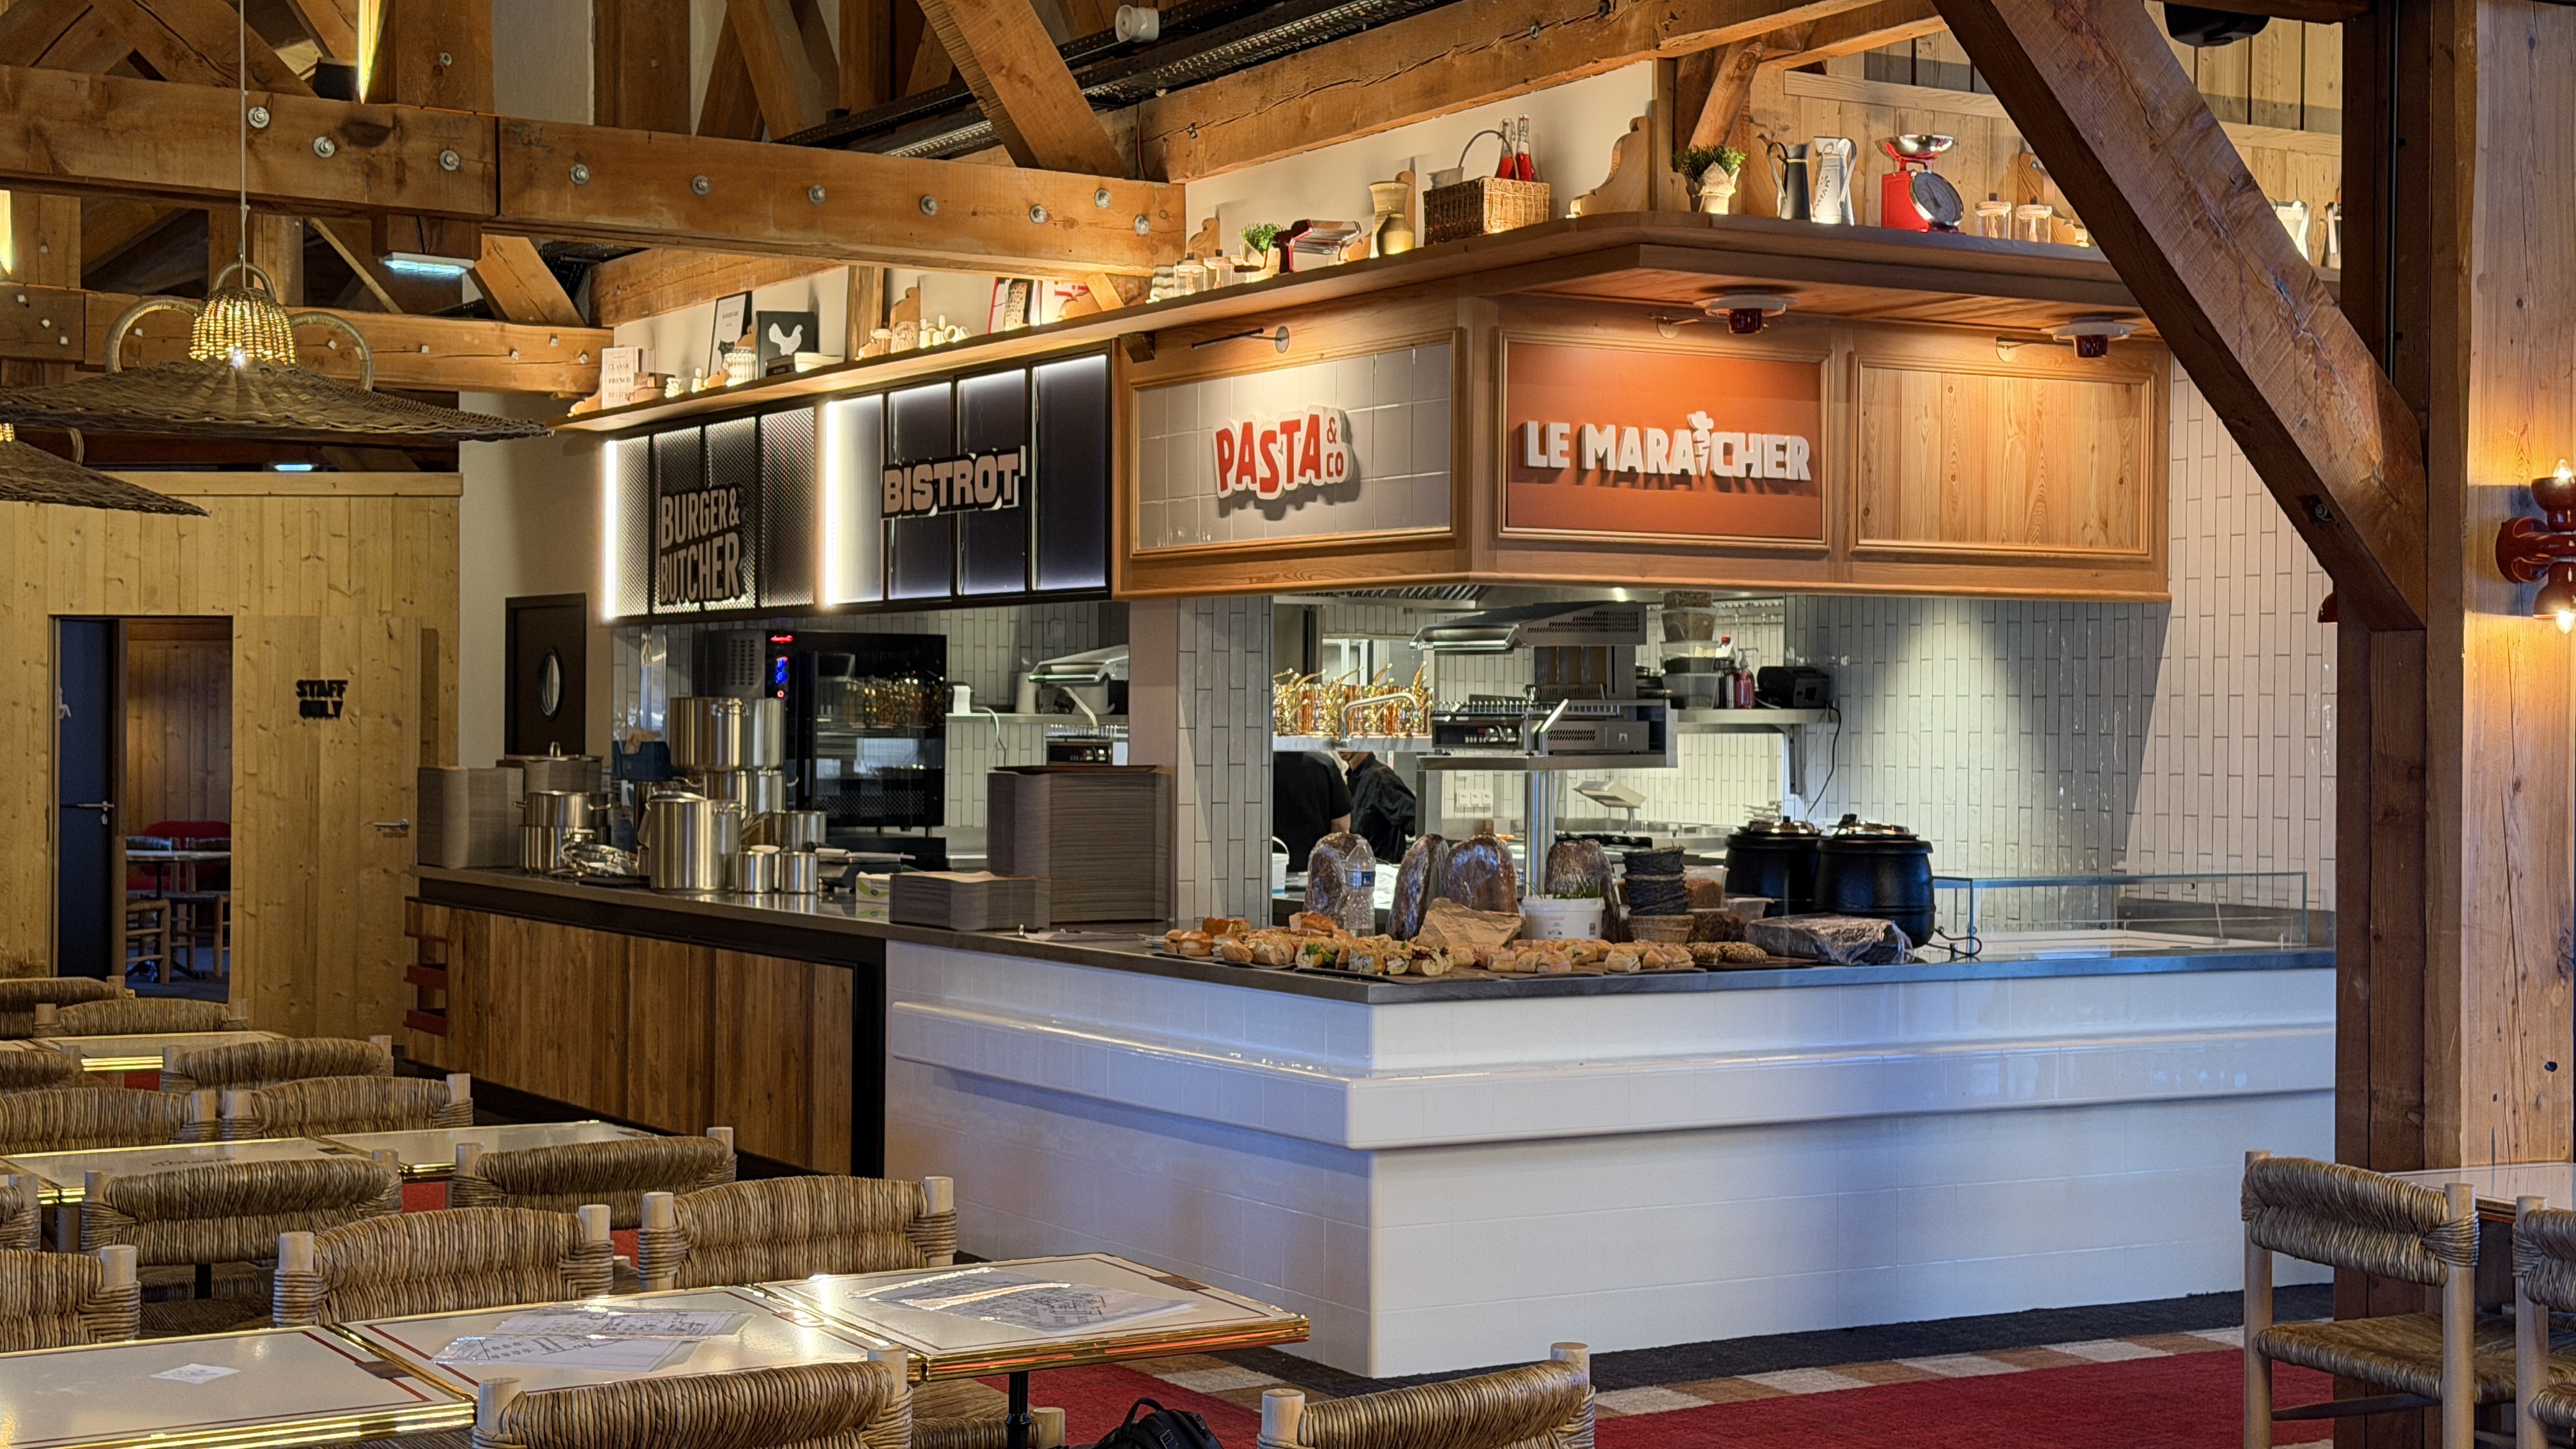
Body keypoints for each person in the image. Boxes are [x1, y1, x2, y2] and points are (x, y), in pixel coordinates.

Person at [1273, 748, 1351, 865]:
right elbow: (1341, 825)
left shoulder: (1261, 764)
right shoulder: (1325, 763)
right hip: (1318, 866)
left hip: (1270, 863)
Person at [1341, 750, 1416, 862]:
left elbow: (1415, 820)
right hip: (1360, 866)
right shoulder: (1353, 777)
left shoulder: (1381, 779)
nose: (1342, 746)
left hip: (1382, 868)